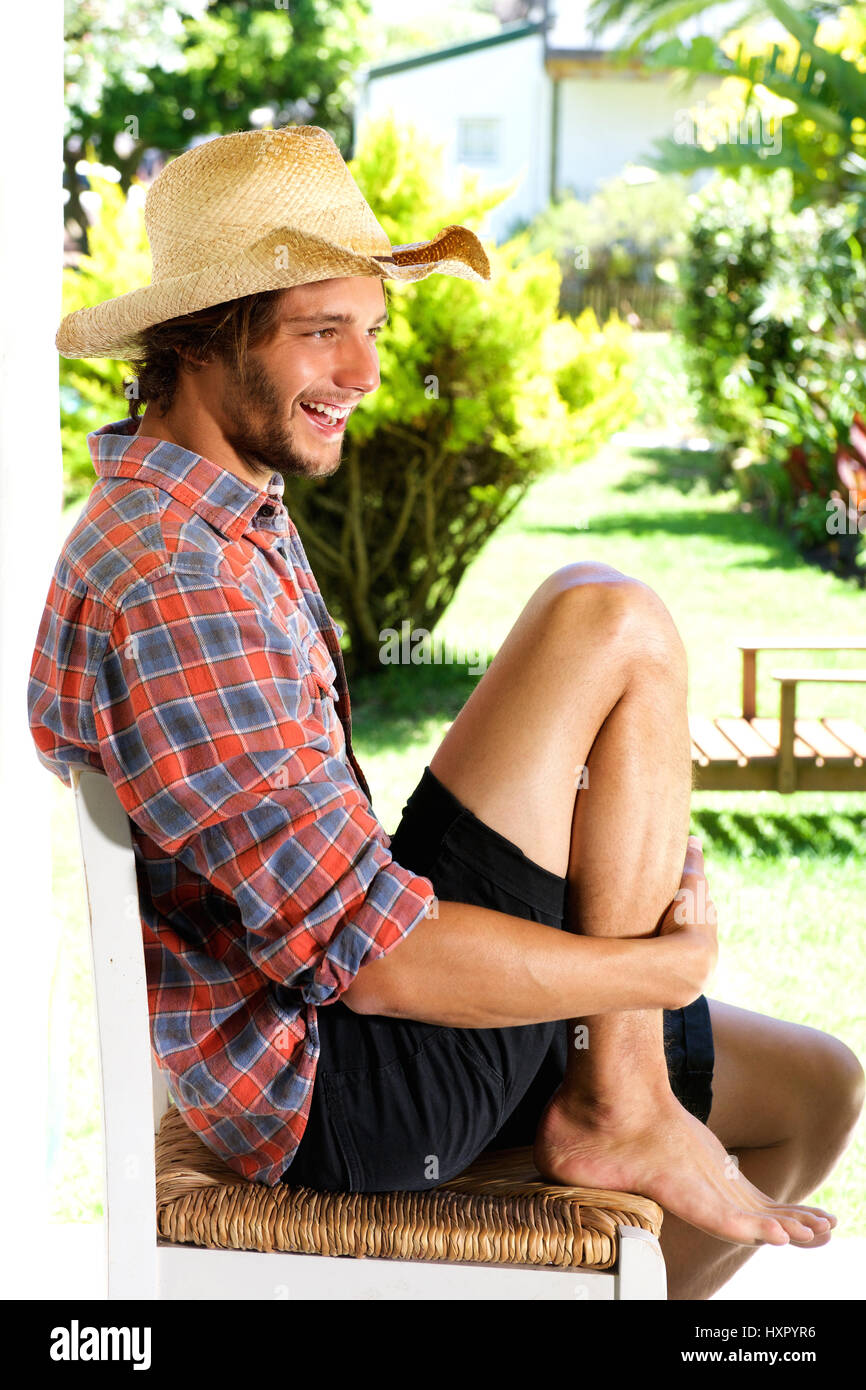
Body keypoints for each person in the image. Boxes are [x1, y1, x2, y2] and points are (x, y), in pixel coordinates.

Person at [31, 125, 863, 1300]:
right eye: (322, 331)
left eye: (371, 331)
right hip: (338, 1088)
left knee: (816, 1086)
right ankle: (617, 1098)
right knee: (607, 620)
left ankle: (616, 1097)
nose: (365, 375)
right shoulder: (175, 579)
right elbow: (375, 967)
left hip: (360, 1024)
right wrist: (651, 972)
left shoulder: (215, 521)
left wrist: (599, 888)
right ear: (203, 339)